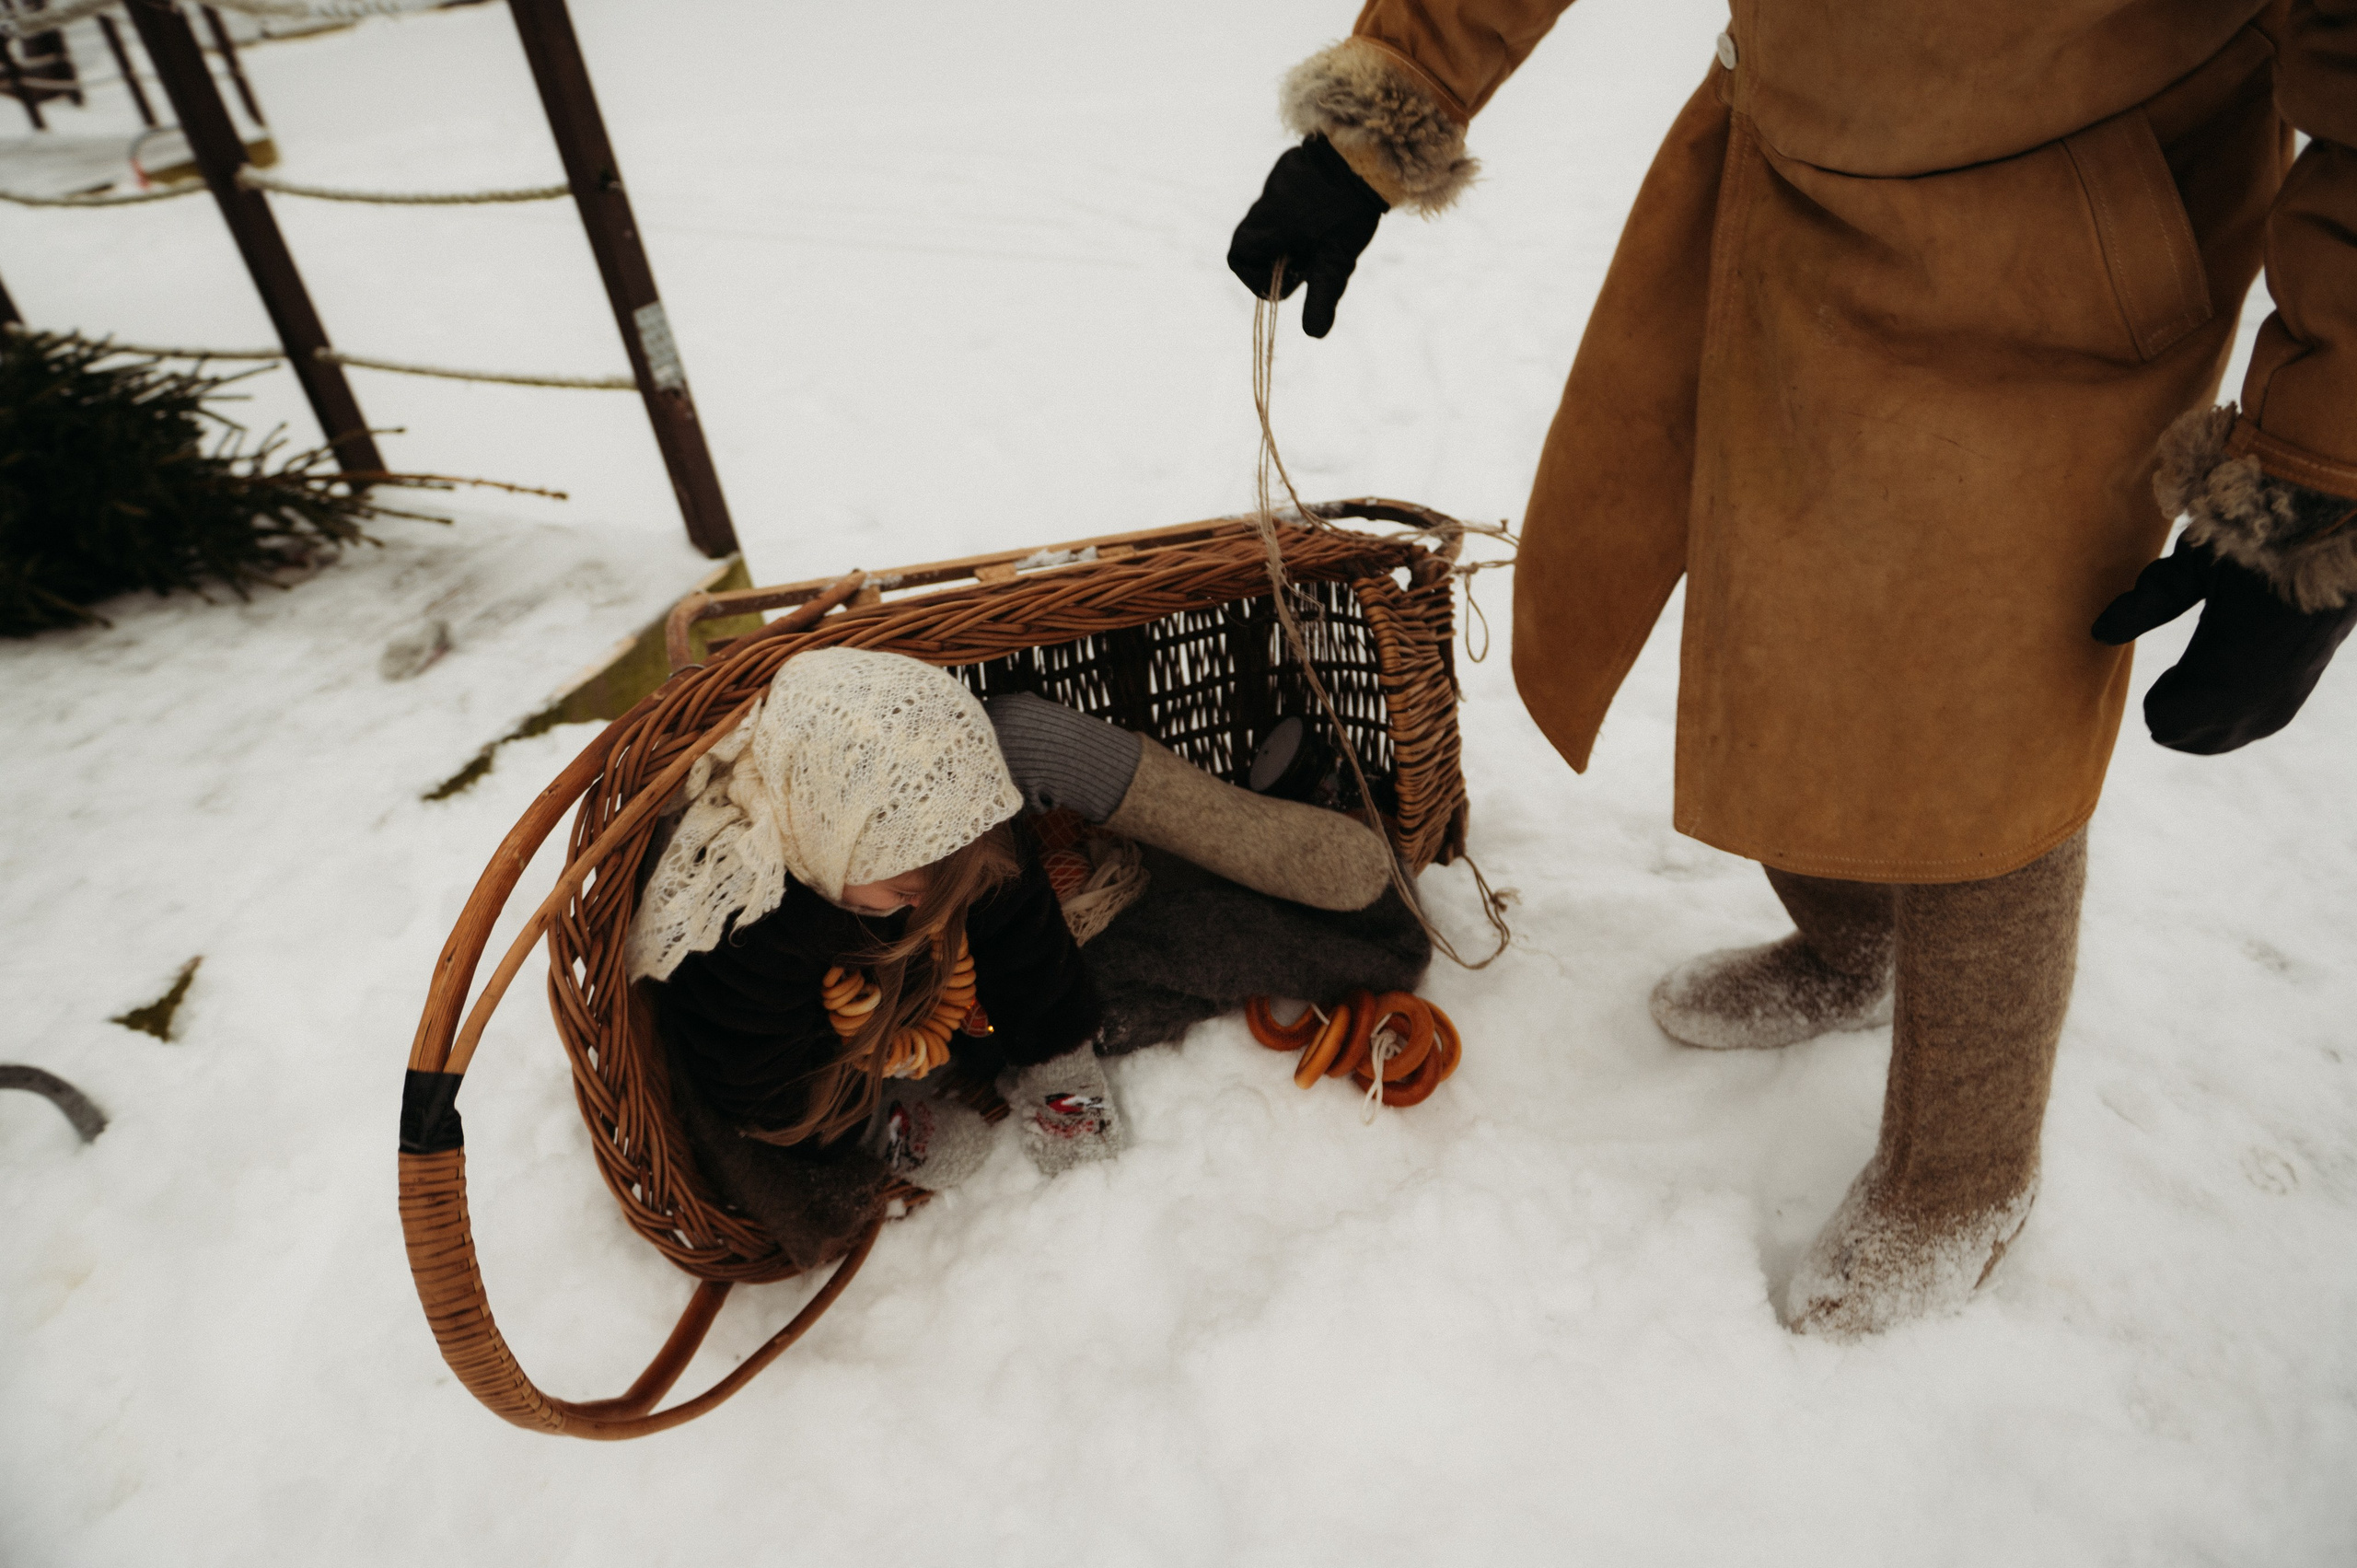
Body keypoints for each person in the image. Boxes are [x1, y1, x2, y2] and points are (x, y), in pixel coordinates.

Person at [1227, 2, 2355, 1335]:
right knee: (1768, 592)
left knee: (1986, 712)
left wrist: (2319, 471)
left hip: (2065, 235)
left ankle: (1964, 1170)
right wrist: (1387, 108)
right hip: (1783, 183)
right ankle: (1851, 943)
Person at [627, 647, 1431, 1271]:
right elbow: (753, 1076)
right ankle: (875, 1124)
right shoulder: (746, 921)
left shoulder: (961, 833)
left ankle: (1024, 1047)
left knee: (1031, 929)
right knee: (786, 1103)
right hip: (816, 1046)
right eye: (902, 882)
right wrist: (856, 1116)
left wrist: (1058, 1063)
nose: (923, 890)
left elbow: (1025, 937)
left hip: (922, 977)